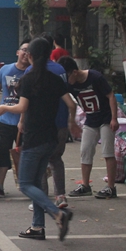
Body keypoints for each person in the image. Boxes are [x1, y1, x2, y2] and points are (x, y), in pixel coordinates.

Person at [0, 37, 77, 241]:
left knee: (25, 184)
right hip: (51, 137)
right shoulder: (55, 79)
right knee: (37, 184)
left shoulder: (28, 79)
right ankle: (37, 227)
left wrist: (4, 107)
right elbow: (71, 104)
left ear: (30, 55)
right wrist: (72, 123)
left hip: (34, 138)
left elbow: (22, 107)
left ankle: (57, 213)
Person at [58, 56, 119, 199]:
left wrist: (114, 118)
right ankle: (85, 185)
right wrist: (71, 122)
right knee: (85, 150)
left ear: (74, 72)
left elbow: (111, 96)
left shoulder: (95, 77)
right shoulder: (69, 84)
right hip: (91, 119)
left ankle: (111, 187)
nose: (67, 81)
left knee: (107, 152)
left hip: (105, 118)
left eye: (68, 76)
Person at [27, 32, 71, 210]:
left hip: (41, 124)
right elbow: (69, 100)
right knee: (56, 159)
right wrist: (72, 122)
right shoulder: (60, 70)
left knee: (40, 162)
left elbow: (27, 103)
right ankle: (60, 196)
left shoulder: (32, 72)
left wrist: (21, 121)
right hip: (61, 121)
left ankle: (41, 199)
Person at [0, 40, 31, 198]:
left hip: (25, 123)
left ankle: (30, 188)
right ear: (18, 52)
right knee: (2, 153)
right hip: (4, 121)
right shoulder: (6, 69)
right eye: (24, 50)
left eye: (29, 51)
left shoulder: (32, 73)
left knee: (26, 155)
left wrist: (23, 120)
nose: (26, 53)